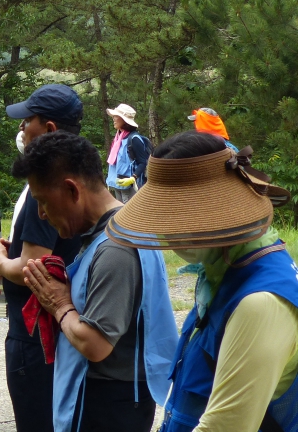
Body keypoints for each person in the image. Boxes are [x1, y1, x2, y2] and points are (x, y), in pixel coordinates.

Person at [106, 131, 296, 432]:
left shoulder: (261, 302)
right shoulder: (223, 272)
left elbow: (224, 427)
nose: (167, 232)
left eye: (178, 217)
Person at [16, 131, 178, 432]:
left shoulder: (116, 248)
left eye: (42, 201)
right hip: (114, 398)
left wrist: (60, 303)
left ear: (71, 190)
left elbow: (96, 344)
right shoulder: (119, 227)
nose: (40, 213)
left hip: (107, 406)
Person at [0, 84, 84, 432]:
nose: (21, 129)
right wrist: (11, 252)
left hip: (33, 332)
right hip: (46, 331)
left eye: (27, 121)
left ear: (49, 129)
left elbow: (31, 268)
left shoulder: (49, 182)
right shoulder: (75, 174)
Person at [105, 104, 149, 201]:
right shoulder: (118, 138)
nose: (113, 118)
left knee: (128, 215)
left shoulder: (134, 139)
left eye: (116, 116)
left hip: (129, 188)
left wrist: (133, 178)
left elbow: (143, 162)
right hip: (117, 184)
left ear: (124, 120)